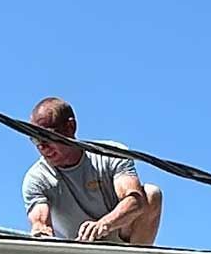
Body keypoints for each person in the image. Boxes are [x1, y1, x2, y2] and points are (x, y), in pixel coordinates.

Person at [22, 96, 163, 246]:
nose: (42, 147)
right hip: (76, 247)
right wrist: (41, 231)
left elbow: (135, 200)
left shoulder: (110, 154)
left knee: (151, 194)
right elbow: (40, 224)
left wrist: (103, 224)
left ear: (70, 127)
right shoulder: (37, 178)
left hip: (119, 236)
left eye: (47, 137)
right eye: (35, 140)